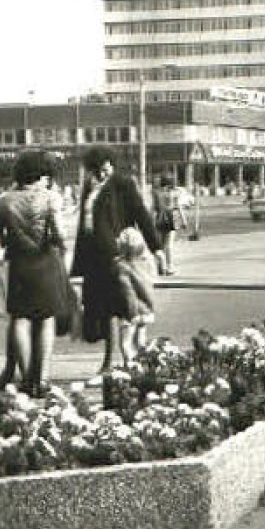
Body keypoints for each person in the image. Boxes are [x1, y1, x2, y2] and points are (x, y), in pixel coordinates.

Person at [72, 147, 160, 379]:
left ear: (111, 164)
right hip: (93, 255)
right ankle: (115, 362)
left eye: (105, 168)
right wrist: (77, 264)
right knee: (101, 309)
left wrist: (156, 247)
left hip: (116, 255)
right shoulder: (89, 188)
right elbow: (84, 225)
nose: (102, 174)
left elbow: (141, 215)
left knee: (117, 308)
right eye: (96, 170)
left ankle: (117, 362)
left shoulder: (123, 184)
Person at [0, 150, 67, 397]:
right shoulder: (51, 198)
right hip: (45, 262)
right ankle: (42, 379)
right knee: (46, 319)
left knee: (20, 319)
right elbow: (59, 234)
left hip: (19, 265)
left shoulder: (4, 200)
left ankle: (25, 380)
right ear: (42, 172)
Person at [113, 226, 158, 364]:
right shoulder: (146, 263)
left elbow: (127, 292)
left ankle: (130, 366)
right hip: (145, 308)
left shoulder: (122, 267)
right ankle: (145, 363)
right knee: (140, 341)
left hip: (130, 310)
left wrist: (130, 312)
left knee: (125, 343)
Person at [153, 177, 186, 276]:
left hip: (160, 217)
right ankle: (169, 267)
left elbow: (153, 208)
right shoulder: (174, 193)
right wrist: (183, 220)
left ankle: (160, 267)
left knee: (161, 244)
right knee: (169, 244)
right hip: (171, 216)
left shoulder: (157, 193)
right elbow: (179, 206)